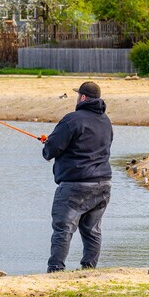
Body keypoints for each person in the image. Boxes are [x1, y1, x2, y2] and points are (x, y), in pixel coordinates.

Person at [41, 81, 113, 272]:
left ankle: (55, 270)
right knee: (92, 230)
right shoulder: (105, 121)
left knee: (63, 228)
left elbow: (51, 149)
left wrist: (47, 146)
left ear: (82, 97)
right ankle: (89, 269)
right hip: (103, 184)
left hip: (75, 185)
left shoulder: (72, 119)